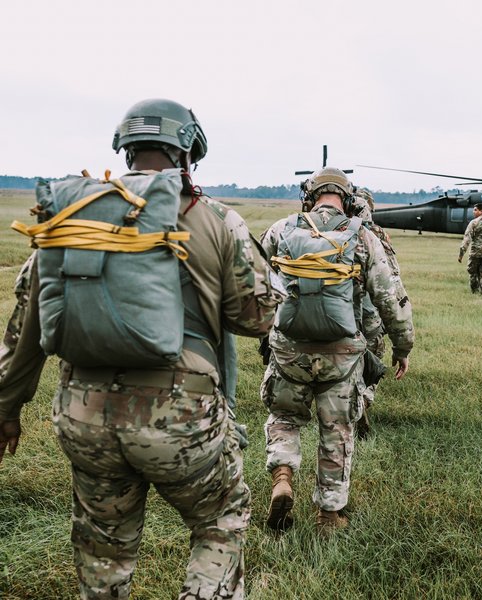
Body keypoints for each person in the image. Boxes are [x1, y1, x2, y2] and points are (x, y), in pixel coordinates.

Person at [0, 98, 284, 600]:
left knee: (103, 545)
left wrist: (6, 407)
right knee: (220, 517)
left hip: (82, 413)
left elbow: (28, 320)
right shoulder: (216, 217)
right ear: (190, 149)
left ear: (125, 149)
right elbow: (256, 317)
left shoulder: (76, 213)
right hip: (180, 414)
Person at [260, 168, 414, 534]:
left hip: (288, 351)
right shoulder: (362, 236)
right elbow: (389, 298)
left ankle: (283, 474)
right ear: (347, 199)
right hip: (342, 356)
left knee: (284, 416)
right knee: (337, 431)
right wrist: (402, 345)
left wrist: (264, 328)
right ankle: (329, 515)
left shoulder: (282, 229)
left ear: (310, 196)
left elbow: (248, 272)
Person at [348, 188, 411, 439]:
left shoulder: (331, 231)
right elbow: (392, 281)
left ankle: (350, 403)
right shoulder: (376, 236)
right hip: (372, 314)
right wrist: (403, 342)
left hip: (340, 315)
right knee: (372, 362)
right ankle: (363, 400)